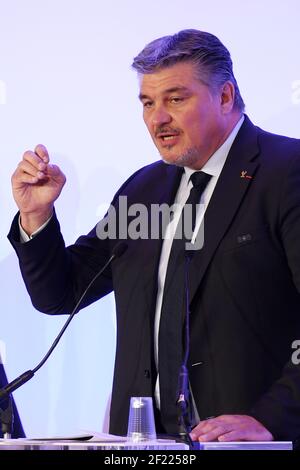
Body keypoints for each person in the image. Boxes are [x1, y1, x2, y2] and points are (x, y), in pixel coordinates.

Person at [8, 29, 300, 443]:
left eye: (175, 99)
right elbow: (61, 293)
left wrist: (271, 418)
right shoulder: (143, 189)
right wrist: (36, 215)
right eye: (147, 103)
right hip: (144, 443)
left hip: (249, 443)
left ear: (225, 96)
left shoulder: (287, 171)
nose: (157, 118)